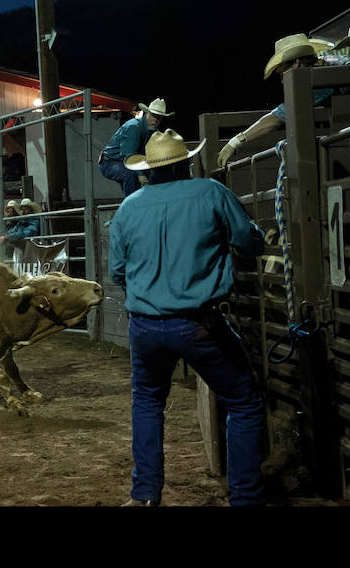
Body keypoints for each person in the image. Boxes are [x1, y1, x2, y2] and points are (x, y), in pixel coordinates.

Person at [109, 129, 270, 507]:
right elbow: (248, 241)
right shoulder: (211, 193)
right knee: (243, 401)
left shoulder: (130, 206)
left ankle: (145, 494)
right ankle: (245, 497)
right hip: (198, 322)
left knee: (147, 402)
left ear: (148, 169)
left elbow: (118, 271)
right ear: (185, 162)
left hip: (144, 325)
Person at [217, 33, 350, 168]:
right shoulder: (326, 65)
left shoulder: (320, 76)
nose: (278, 72)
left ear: (296, 63)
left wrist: (236, 141)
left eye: (281, 67)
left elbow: (278, 117)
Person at [100, 98, 174, 197]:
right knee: (131, 174)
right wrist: (141, 174)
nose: (156, 120)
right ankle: (132, 207)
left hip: (129, 161)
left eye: (159, 118)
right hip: (110, 162)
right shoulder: (133, 127)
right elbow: (129, 155)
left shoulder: (154, 132)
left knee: (153, 175)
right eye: (153, 116)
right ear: (147, 114)